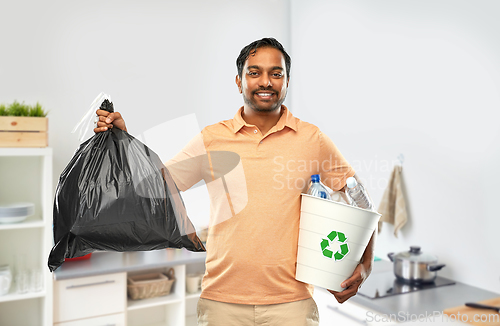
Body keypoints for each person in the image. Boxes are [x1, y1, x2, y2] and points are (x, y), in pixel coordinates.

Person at [95, 37, 375, 326]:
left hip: (292, 305)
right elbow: (155, 186)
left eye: (275, 73)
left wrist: (365, 266)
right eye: (254, 72)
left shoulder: (311, 139)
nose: (265, 81)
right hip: (221, 304)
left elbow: (361, 202)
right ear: (239, 82)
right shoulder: (212, 138)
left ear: (287, 82)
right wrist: (123, 141)